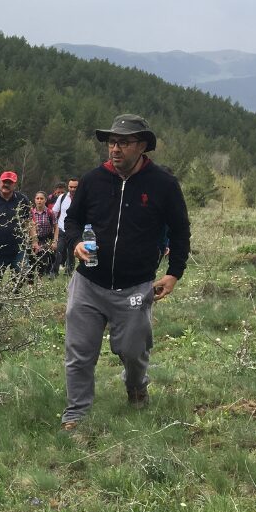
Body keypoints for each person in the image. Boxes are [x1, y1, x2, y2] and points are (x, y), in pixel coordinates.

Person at [62, 114, 191, 430]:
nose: (115, 148)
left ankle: (136, 386)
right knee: (79, 354)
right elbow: (72, 221)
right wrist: (77, 242)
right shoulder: (92, 180)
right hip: (89, 283)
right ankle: (76, 415)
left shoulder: (163, 185)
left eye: (123, 142)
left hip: (135, 286)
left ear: (142, 145)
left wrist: (174, 273)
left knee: (134, 352)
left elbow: (180, 231)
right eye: (111, 142)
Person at [51, 177, 79, 275]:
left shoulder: (82, 198)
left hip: (75, 230)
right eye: (71, 187)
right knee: (58, 251)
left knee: (71, 253)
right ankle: (54, 272)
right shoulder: (62, 197)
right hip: (62, 229)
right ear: (68, 186)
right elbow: (54, 212)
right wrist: (54, 225)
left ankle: (69, 273)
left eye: (75, 187)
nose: (73, 189)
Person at [28, 191, 58, 279]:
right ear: (34, 200)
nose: (39, 201)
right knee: (32, 261)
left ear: (45, 200)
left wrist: (55, 241)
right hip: (33, 240)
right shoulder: (31, 213)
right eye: (37, 198)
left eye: (41, 198)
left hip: (45, 240)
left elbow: (56, 227)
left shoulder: (50, 213)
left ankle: (40, 280)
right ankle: (30, 283)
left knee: (42, 261)